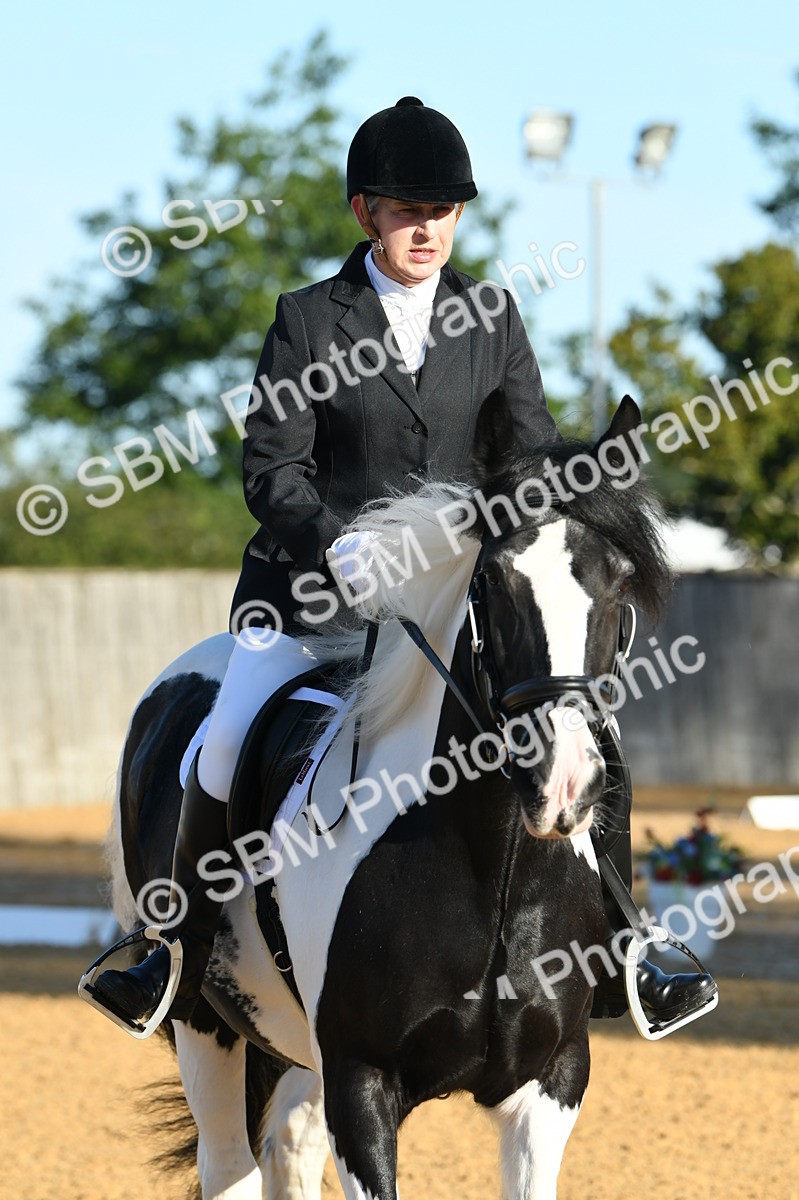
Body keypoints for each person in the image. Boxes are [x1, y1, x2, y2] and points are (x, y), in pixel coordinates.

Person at [90, 97, 716, 1032]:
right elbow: (271, 467)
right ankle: (170, 953)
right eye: (404, 209)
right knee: (223, 739)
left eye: (442, 211)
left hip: (449, 607)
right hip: (312, 598)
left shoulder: (491, 317)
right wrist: (335, 542)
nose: (425, 228)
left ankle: (630, 949)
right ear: (365, 213)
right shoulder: (307, 320)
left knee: (588, 729)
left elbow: (529, 455)